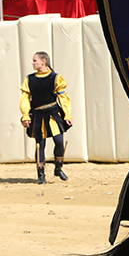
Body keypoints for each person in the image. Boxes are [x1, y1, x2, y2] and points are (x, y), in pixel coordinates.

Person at [21, 51, 73, 183]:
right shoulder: (30, 79)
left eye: (35, 61)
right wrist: (25, 115)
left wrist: (67, 114)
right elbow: (25, 98)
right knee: (40, 145)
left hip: (53, 114)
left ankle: (58, 168)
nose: (32, 63)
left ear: (43, 62)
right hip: (38, 115)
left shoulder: (55, 78)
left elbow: (63, 97)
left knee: (59, 141)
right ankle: (41, 174)